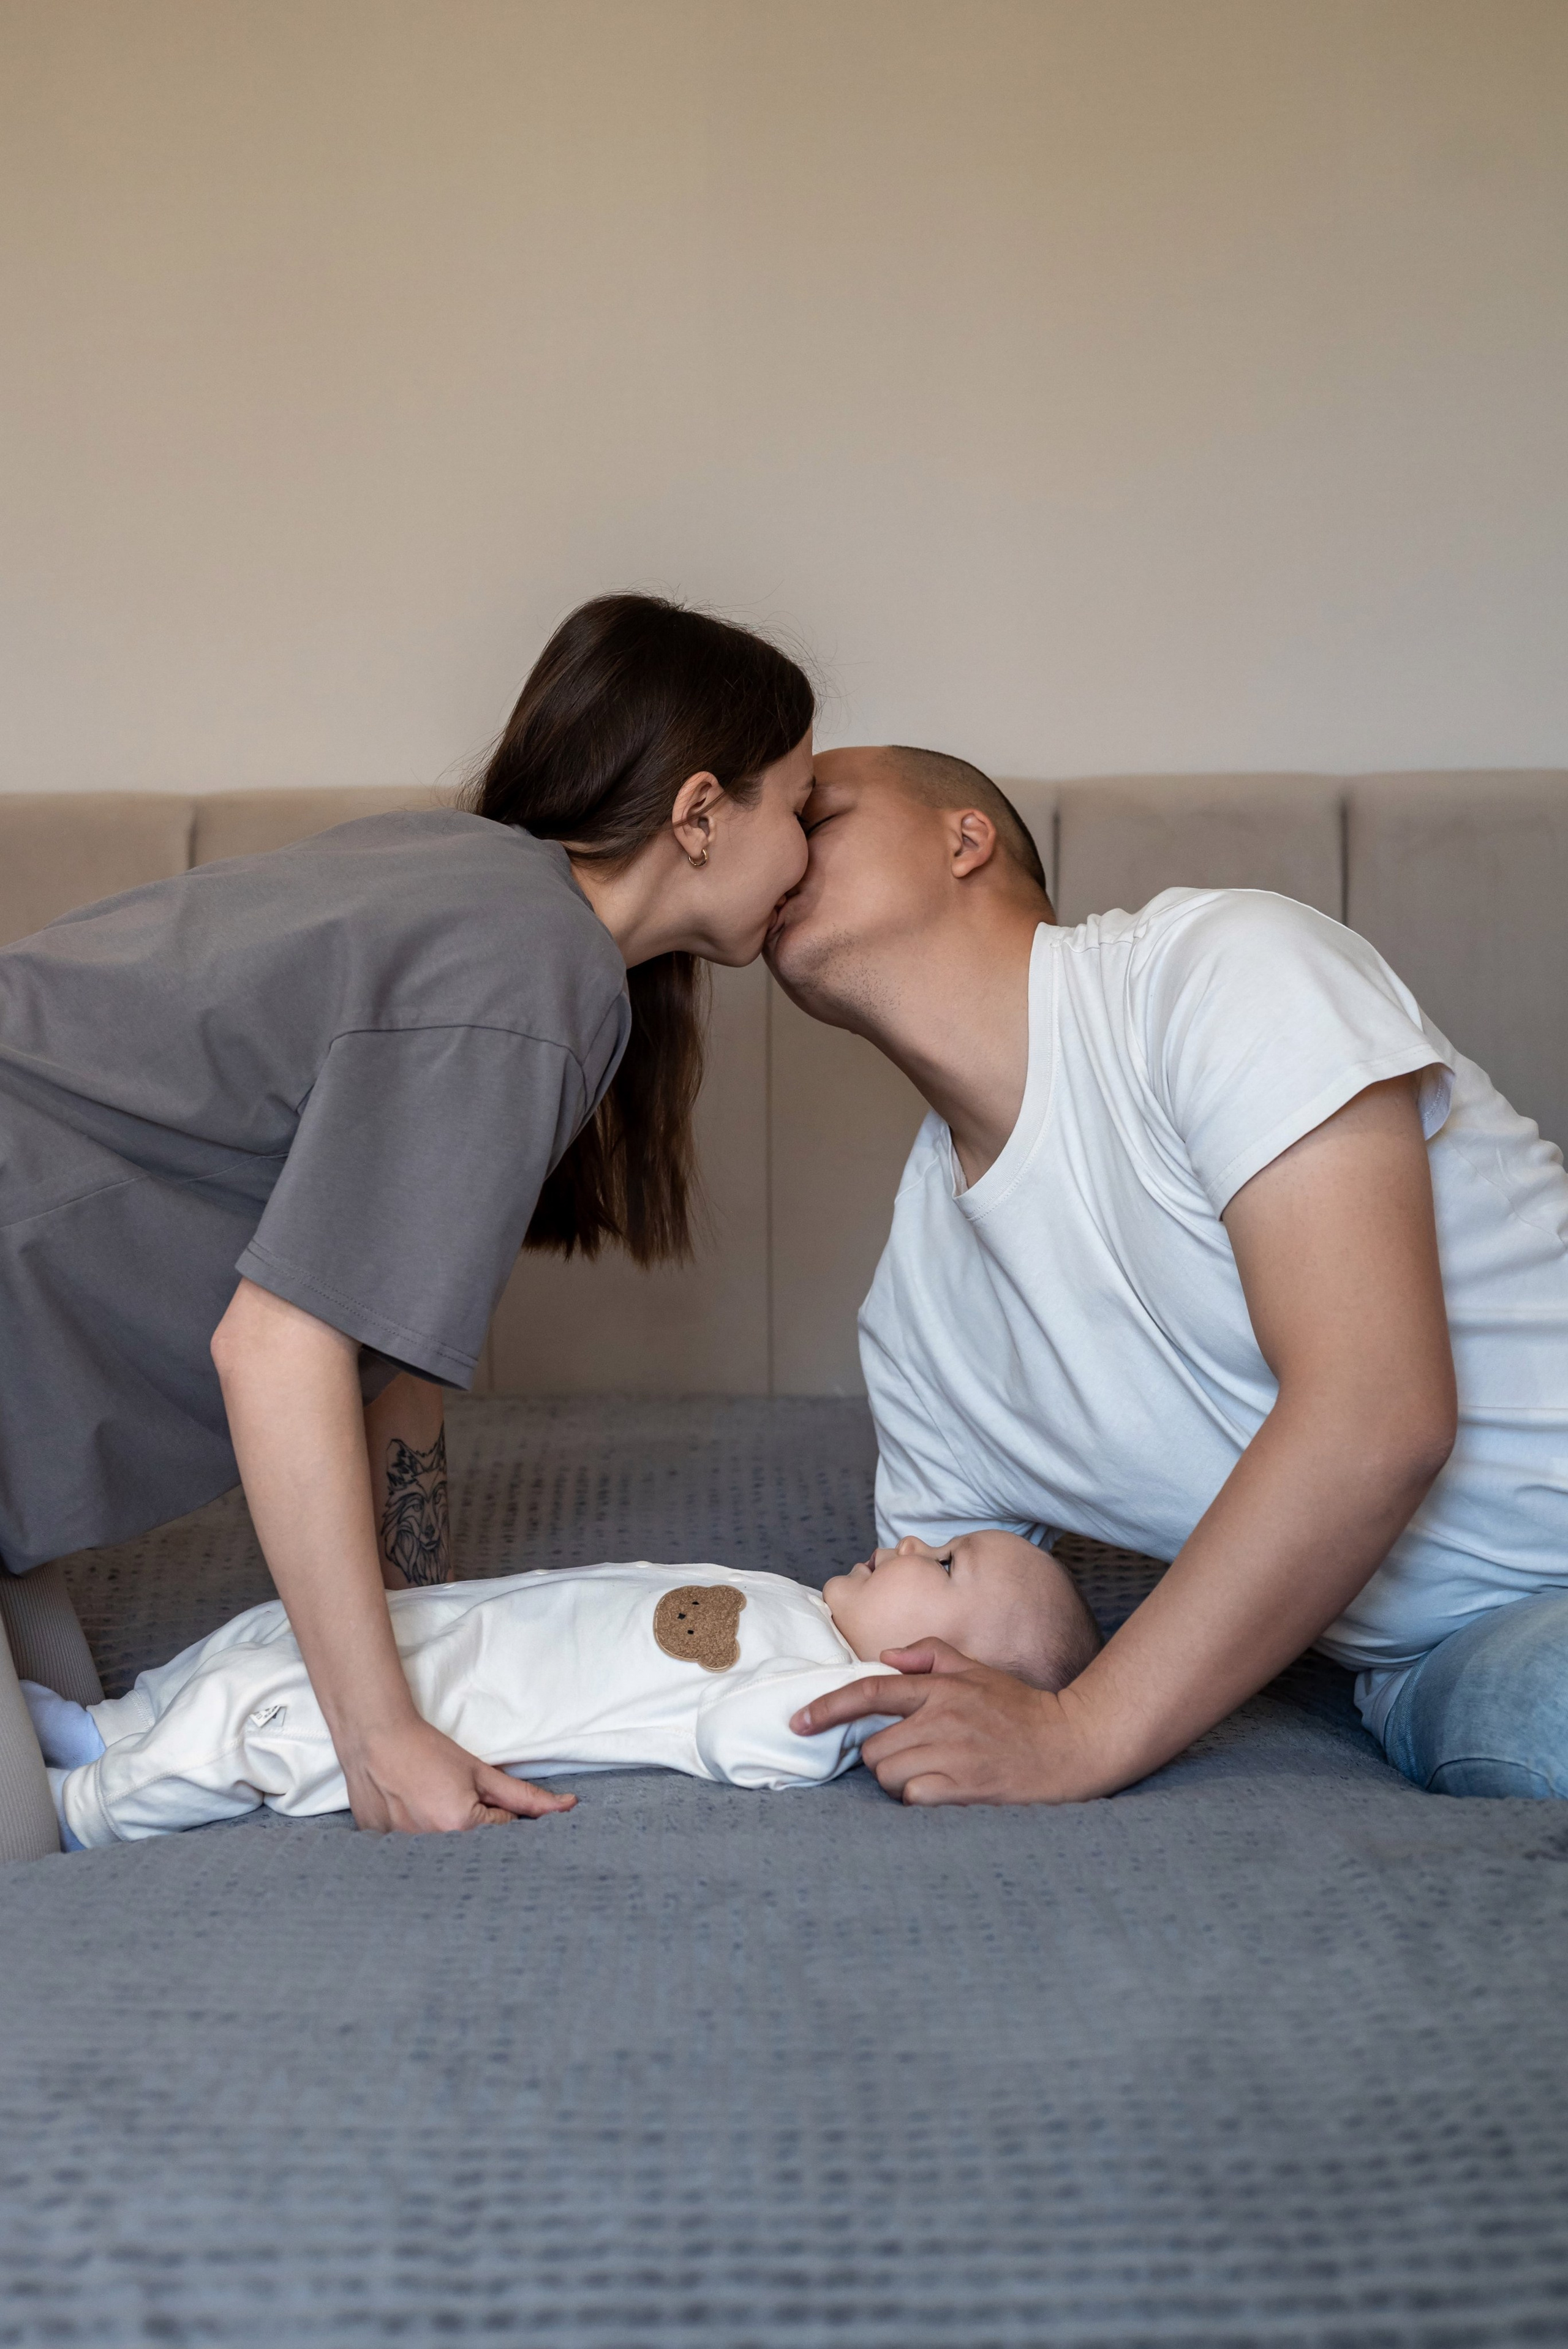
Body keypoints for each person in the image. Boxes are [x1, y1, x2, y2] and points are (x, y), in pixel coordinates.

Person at [0, 595, 820, 1860]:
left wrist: (417, 1625)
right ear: (702, 811)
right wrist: (381, 1736)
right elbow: (278, 1348)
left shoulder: (476, 888)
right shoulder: (531, 972)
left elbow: (387, 1342)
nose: (808, 858)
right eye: (799, 812)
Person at [768, 745, 1568, 1806]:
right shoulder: (918, 1319)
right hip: (1454, 1656)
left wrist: (1082, 1733)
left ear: (964, 839)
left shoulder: (1223, 971)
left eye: (812, 811)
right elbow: (946, 1650)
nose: (774, 843)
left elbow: (1380, 1415)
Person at [25, 1532, 1100, 1846]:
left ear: (923, 1669)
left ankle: (79, 1809)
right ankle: (104, 1726)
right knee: (266, 1632)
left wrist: (857, 1698)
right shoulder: (795, 1602)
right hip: (431, 1635)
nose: (911, 1539)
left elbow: (741, 1736)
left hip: (443, 1718)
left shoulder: (814, 1687)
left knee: (253, 1722)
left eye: (946, 1564)